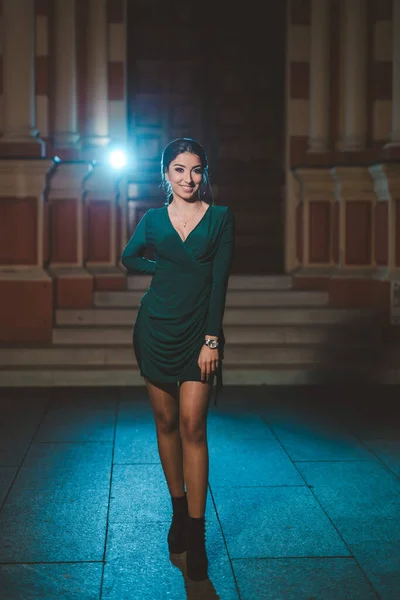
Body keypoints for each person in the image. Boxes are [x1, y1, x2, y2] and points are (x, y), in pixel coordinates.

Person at [121, 137, 235, 582]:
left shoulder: (221, 219)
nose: (189, 179)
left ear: (205, 174)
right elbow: (128, 256)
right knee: (165, 423)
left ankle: (198, 530)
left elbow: (220, 282)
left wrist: (212, 339)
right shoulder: (152, 219)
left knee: (193, 424)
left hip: (198, 335)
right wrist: (161, 270)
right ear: (165, 175)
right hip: (155, 329)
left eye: (197, 170)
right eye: (180, 170)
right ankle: (177, 512)